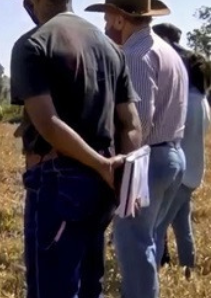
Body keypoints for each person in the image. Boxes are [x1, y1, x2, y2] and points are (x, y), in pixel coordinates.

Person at [12, 1, 142, 297]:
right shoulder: (111, 49)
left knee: (53, 288)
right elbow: (131, 122)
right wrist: (123, 173)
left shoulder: (33, 43)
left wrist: (101, 164)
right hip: (102, 188)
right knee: (88, 282)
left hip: (59, 184)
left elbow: (48, 122)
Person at [86, 1, 188, 297]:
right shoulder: (165, 50)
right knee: (149, 240)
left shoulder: (134, 55)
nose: (104, 27)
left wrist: (115, 165)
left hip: (148, 159)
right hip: (172, 157)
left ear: (120, 20)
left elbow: (138, 122)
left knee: (134, 244)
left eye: (107, 19)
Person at [152, 22, 210, 279]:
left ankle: (150, 274)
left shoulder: (185, 101)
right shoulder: (203, 102)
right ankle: (188, 272)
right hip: (194, 172)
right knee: (182, 225)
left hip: (180, 170)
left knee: (156, 226)